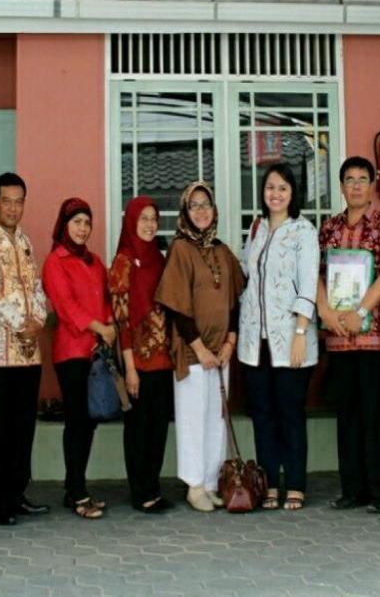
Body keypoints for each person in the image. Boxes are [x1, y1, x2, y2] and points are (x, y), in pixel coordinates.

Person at [317, 156, 380, 514]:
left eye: (362, 179)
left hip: (375, 338)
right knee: (348, 415)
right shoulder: (329, 229)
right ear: (341, 187)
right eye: (349, 180)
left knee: (377, 416)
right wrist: (325, 311)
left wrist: (361, 312)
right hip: (339, 338)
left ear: (372, 186)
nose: (355, 186)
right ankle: (352, 489)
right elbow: (316, 273)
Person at [155, 181, 245, 512]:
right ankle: (194, 486)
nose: (201, 211)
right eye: (194, 205)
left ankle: (210, 481)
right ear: (185, 212)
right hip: (193, 351)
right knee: (193, 417)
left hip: (221, 351)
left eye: (205, 204)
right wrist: (201, 348)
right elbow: (177, 306)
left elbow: (234, 300)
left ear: (214, 209)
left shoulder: (222, 250)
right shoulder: (180, 249)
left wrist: (230, 341)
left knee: (216, 418)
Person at [0, 172, 50, 524]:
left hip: (28, 356)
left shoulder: (26, 242)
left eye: (19, 202)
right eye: (7, 201)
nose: (13, 208)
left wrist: (39, 322)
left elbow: (37, 289)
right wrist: (22, 325)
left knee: (22, 429)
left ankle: (17, 494)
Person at [237, 163, 319, 511]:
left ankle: (296, 484)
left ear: (293, 193)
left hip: (290, 338)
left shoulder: (303, 230)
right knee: (263, 414)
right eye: (270, 187)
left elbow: (308, 282)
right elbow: (246, 273)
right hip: (256, 341)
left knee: (290, 413)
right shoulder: (256, 228)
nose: (276, 194)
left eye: (283, 188)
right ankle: (268, 483)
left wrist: (300, 331)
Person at [42, 197, 113, 519]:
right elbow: (66, 306)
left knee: (89, 421)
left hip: (96, 351)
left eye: (87, 223)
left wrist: (109, 323)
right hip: (71, 353)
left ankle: (76, 487)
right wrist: (100, 327)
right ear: (64, 225)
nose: (83, 229)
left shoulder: (94, 261)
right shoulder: (55, 262)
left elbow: (106, 298)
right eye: (77, 222)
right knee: (77, 421)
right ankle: (77, 492)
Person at [108, 195, 174, 513]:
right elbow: (121, 320)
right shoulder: (122, 262)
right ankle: (140, 492)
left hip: (163, 359)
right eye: (143, 218)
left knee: (158, 426)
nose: (149, 224)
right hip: (137, 360)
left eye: (153, 219)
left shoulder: (158, 260)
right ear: (131, 222)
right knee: (139, 427)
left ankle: (153, 487)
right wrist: (130, 368)